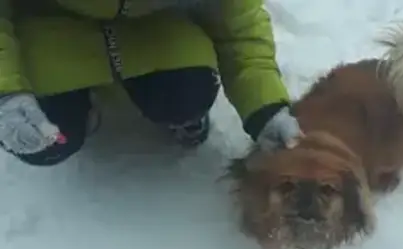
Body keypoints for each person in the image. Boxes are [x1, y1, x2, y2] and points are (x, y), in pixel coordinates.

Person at [0, 0, 302, 166]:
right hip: (50, 27)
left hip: (153, 28)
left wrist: (265, 108)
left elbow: (240, 25)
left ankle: (172, 108)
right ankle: (80, 107)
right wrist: (6, 95)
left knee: (186, 93)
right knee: (42, 139)